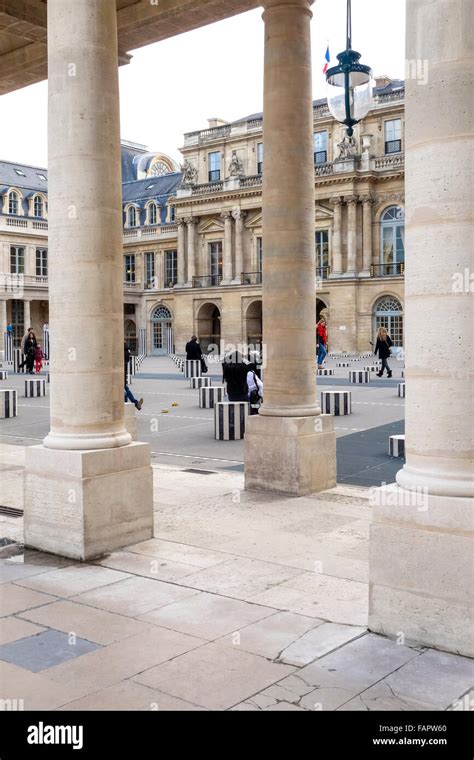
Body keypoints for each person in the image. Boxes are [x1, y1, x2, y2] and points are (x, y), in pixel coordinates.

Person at [124, 341, 143, 411]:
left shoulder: (121, 353)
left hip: (121, 376)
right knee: (126, 390)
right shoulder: (127, 353)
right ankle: (135, 403)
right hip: (124, 374)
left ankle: (127, 406)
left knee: (125, 392)